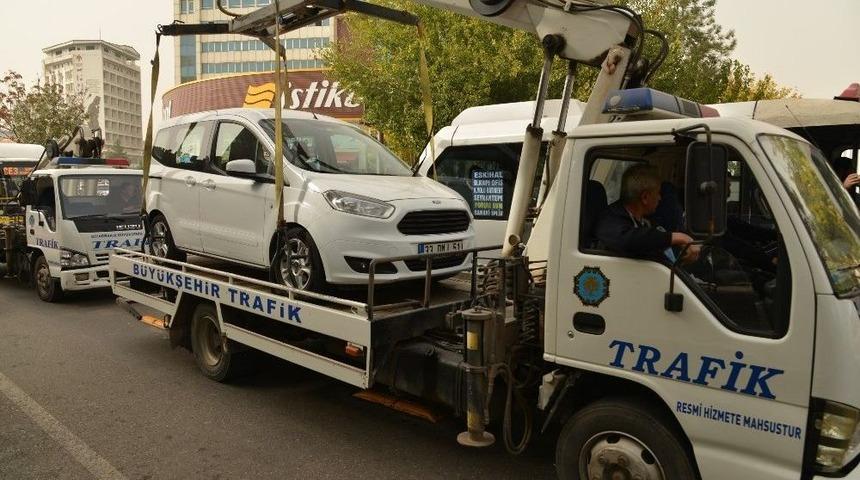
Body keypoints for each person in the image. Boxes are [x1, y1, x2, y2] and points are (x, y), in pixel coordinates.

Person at [595, 164, 699, 263]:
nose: (660, 198)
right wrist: (678, 237)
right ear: (645, 197)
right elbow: (629, 240)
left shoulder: (644, 218)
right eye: (658, 193)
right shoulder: (609, 220)